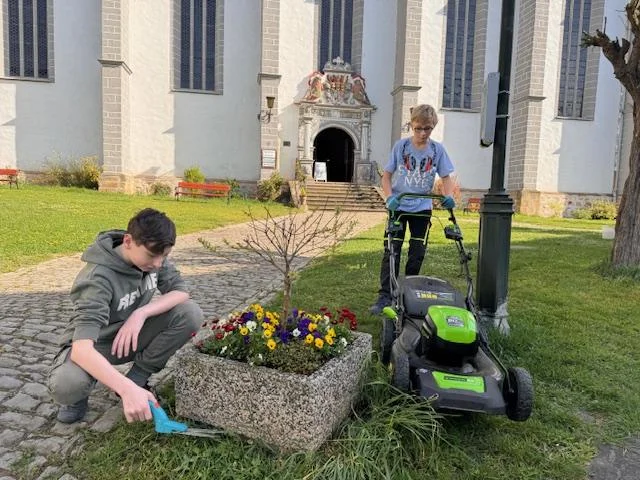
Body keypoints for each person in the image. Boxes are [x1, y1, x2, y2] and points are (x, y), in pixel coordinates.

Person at [48, 208, 202, 424]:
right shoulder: (97, 279)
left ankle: (137, 378)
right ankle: (80, 394)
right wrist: (125, 389)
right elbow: (82, 350)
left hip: (130, 336)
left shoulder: (153, 253)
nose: (158, 263)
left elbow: (181, 291)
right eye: (152, 255)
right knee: (67, 384)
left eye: (164, 256)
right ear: (128, 241)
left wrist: (141, 313)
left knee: (190, 312)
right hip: (95, 345)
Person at [370, 104, 456, 314]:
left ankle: (408, 292)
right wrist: (389, 197)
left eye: (427, 129)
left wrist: (449, 195)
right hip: (399, 206)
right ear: (412, 126)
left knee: (417, 252)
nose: (423, 133)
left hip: (422, 207)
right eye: (418, 128)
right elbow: (387, 176)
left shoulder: (437, 150)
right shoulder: (401, 147)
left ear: (432, 127)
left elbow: (446, 177)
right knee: (392, 251)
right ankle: (385, 295)